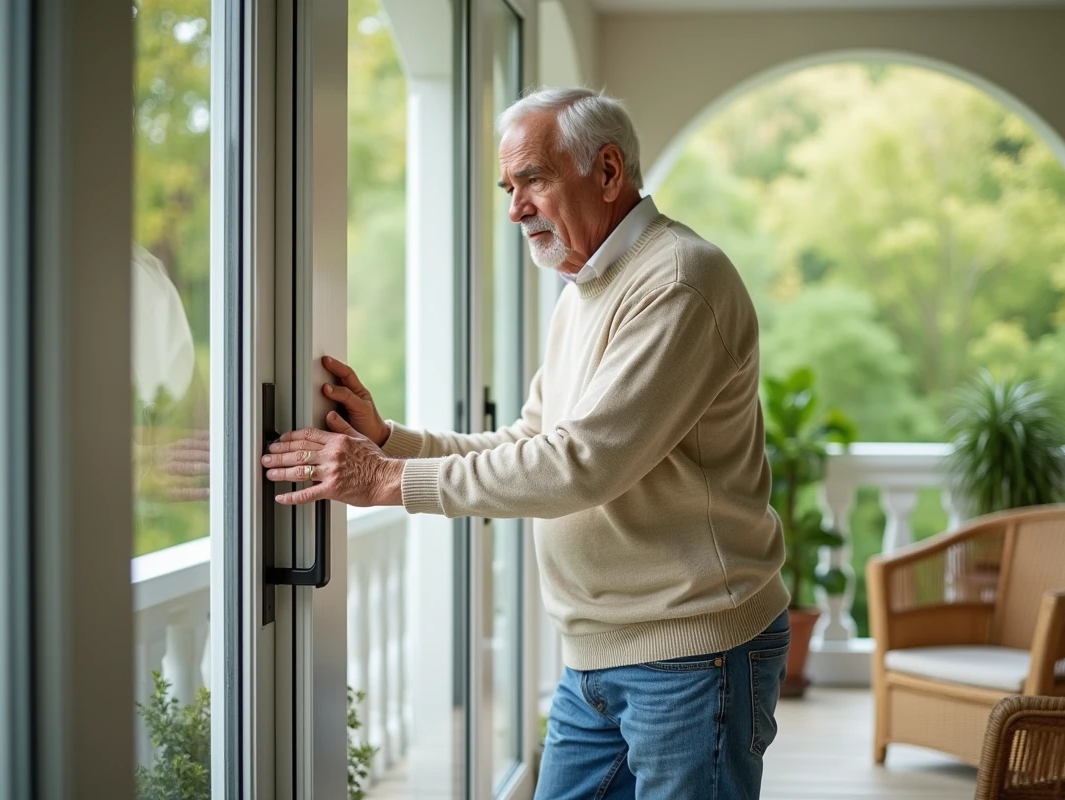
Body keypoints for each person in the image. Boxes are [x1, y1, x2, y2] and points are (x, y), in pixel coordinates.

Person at [261, 87, 790, 799]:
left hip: (696, 656)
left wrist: (387, 480)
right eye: (509, 188)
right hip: (595, 656)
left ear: (607, 172)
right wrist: (391, 442)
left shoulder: (679, 282)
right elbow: (532, 440)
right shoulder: (584, 289)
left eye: (533, 180)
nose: (514, 209)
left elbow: (583, 466)